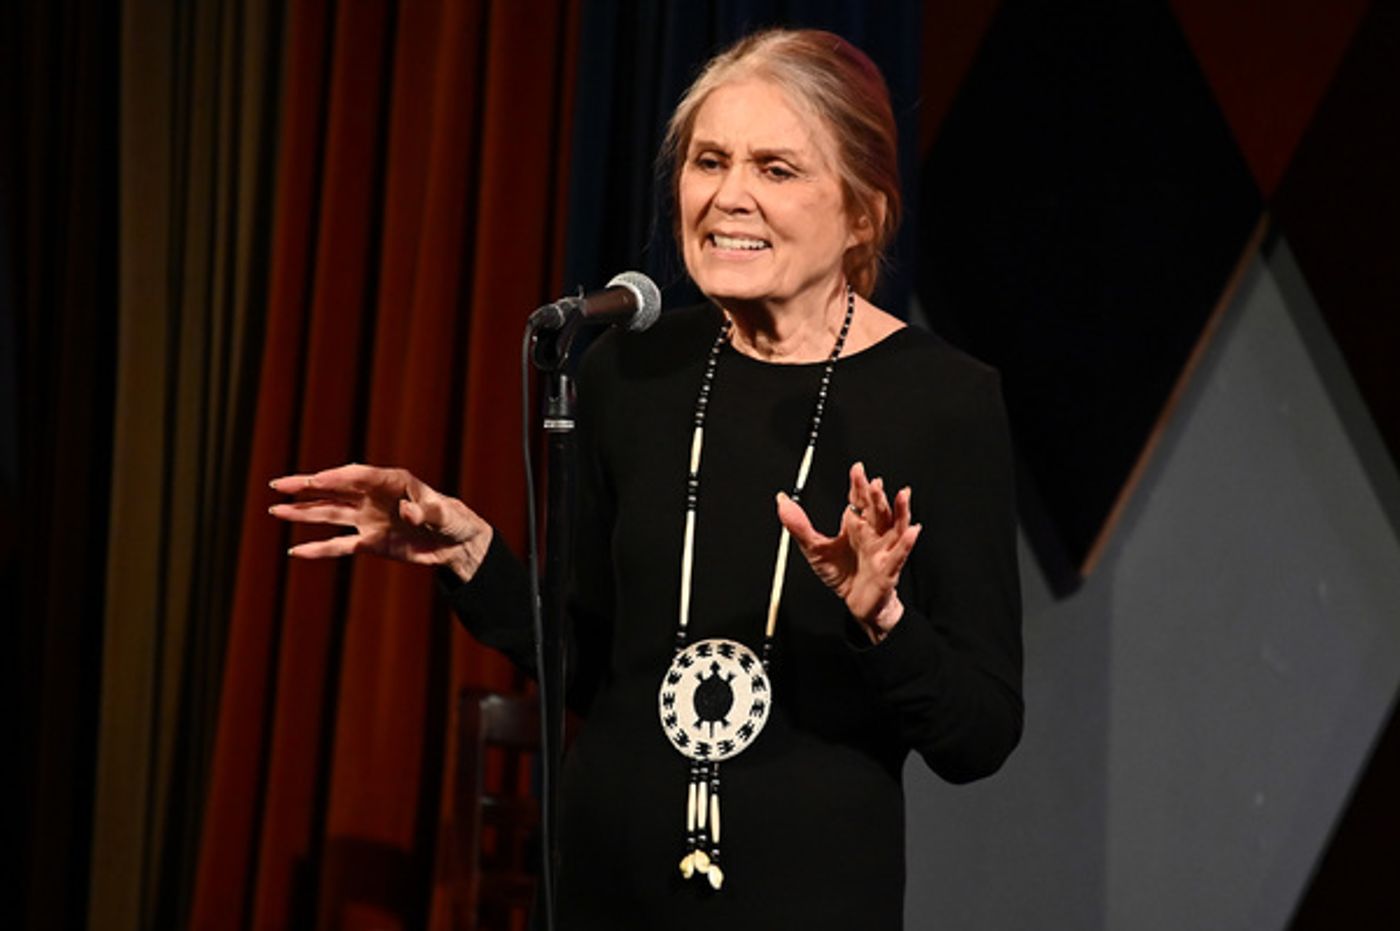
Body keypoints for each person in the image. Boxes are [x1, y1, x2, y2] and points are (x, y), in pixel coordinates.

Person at [270, 28, 1021, 930]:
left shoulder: (945, 401)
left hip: (808, 898)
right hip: (607, 885)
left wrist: (883, 617)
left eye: (776, 170)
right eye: (710, 160)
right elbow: (592, 666)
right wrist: (474, 556)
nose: (729, 196)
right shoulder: (630, 372)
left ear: (863, 211)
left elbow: (979, 735)